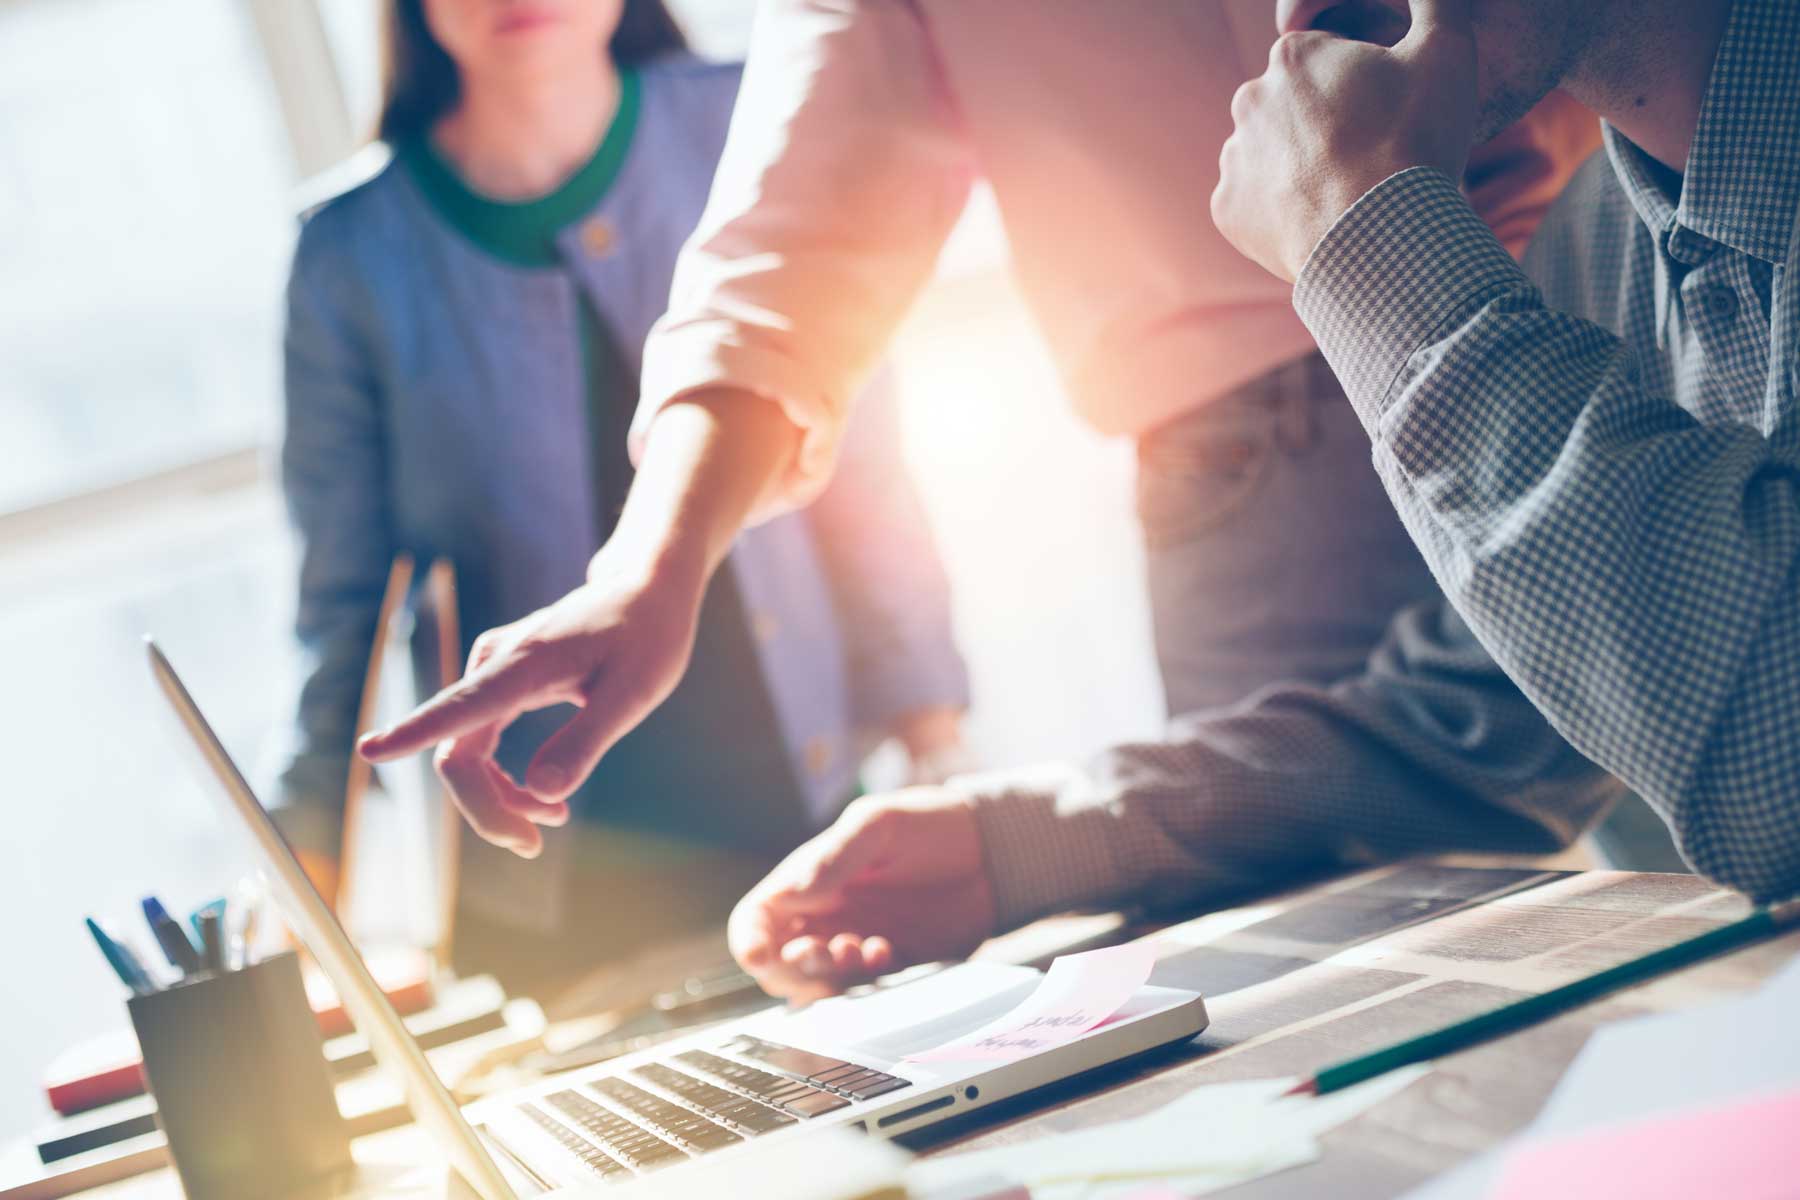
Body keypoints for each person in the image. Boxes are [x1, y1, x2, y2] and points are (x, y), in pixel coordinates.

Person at [360, 2, 1613, 1001]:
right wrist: (654, 562)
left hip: (1568, 323)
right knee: (1336, 1011)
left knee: (1692, 946)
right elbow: (788, 239)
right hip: (1247, 491)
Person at [274, 0, 969, 987]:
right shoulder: (348, 256)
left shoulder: (749, 117)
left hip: (800, 820)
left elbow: (863, 457)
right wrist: (305, 863)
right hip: (548, 889)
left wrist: (933, 733)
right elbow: (336, 601)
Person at [1208, 0, 1800, 907]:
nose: (1297, 17)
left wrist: (1367, 239)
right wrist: (1007, 838)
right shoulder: (1594, 235)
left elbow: (1782, 756)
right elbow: (1480, 725)